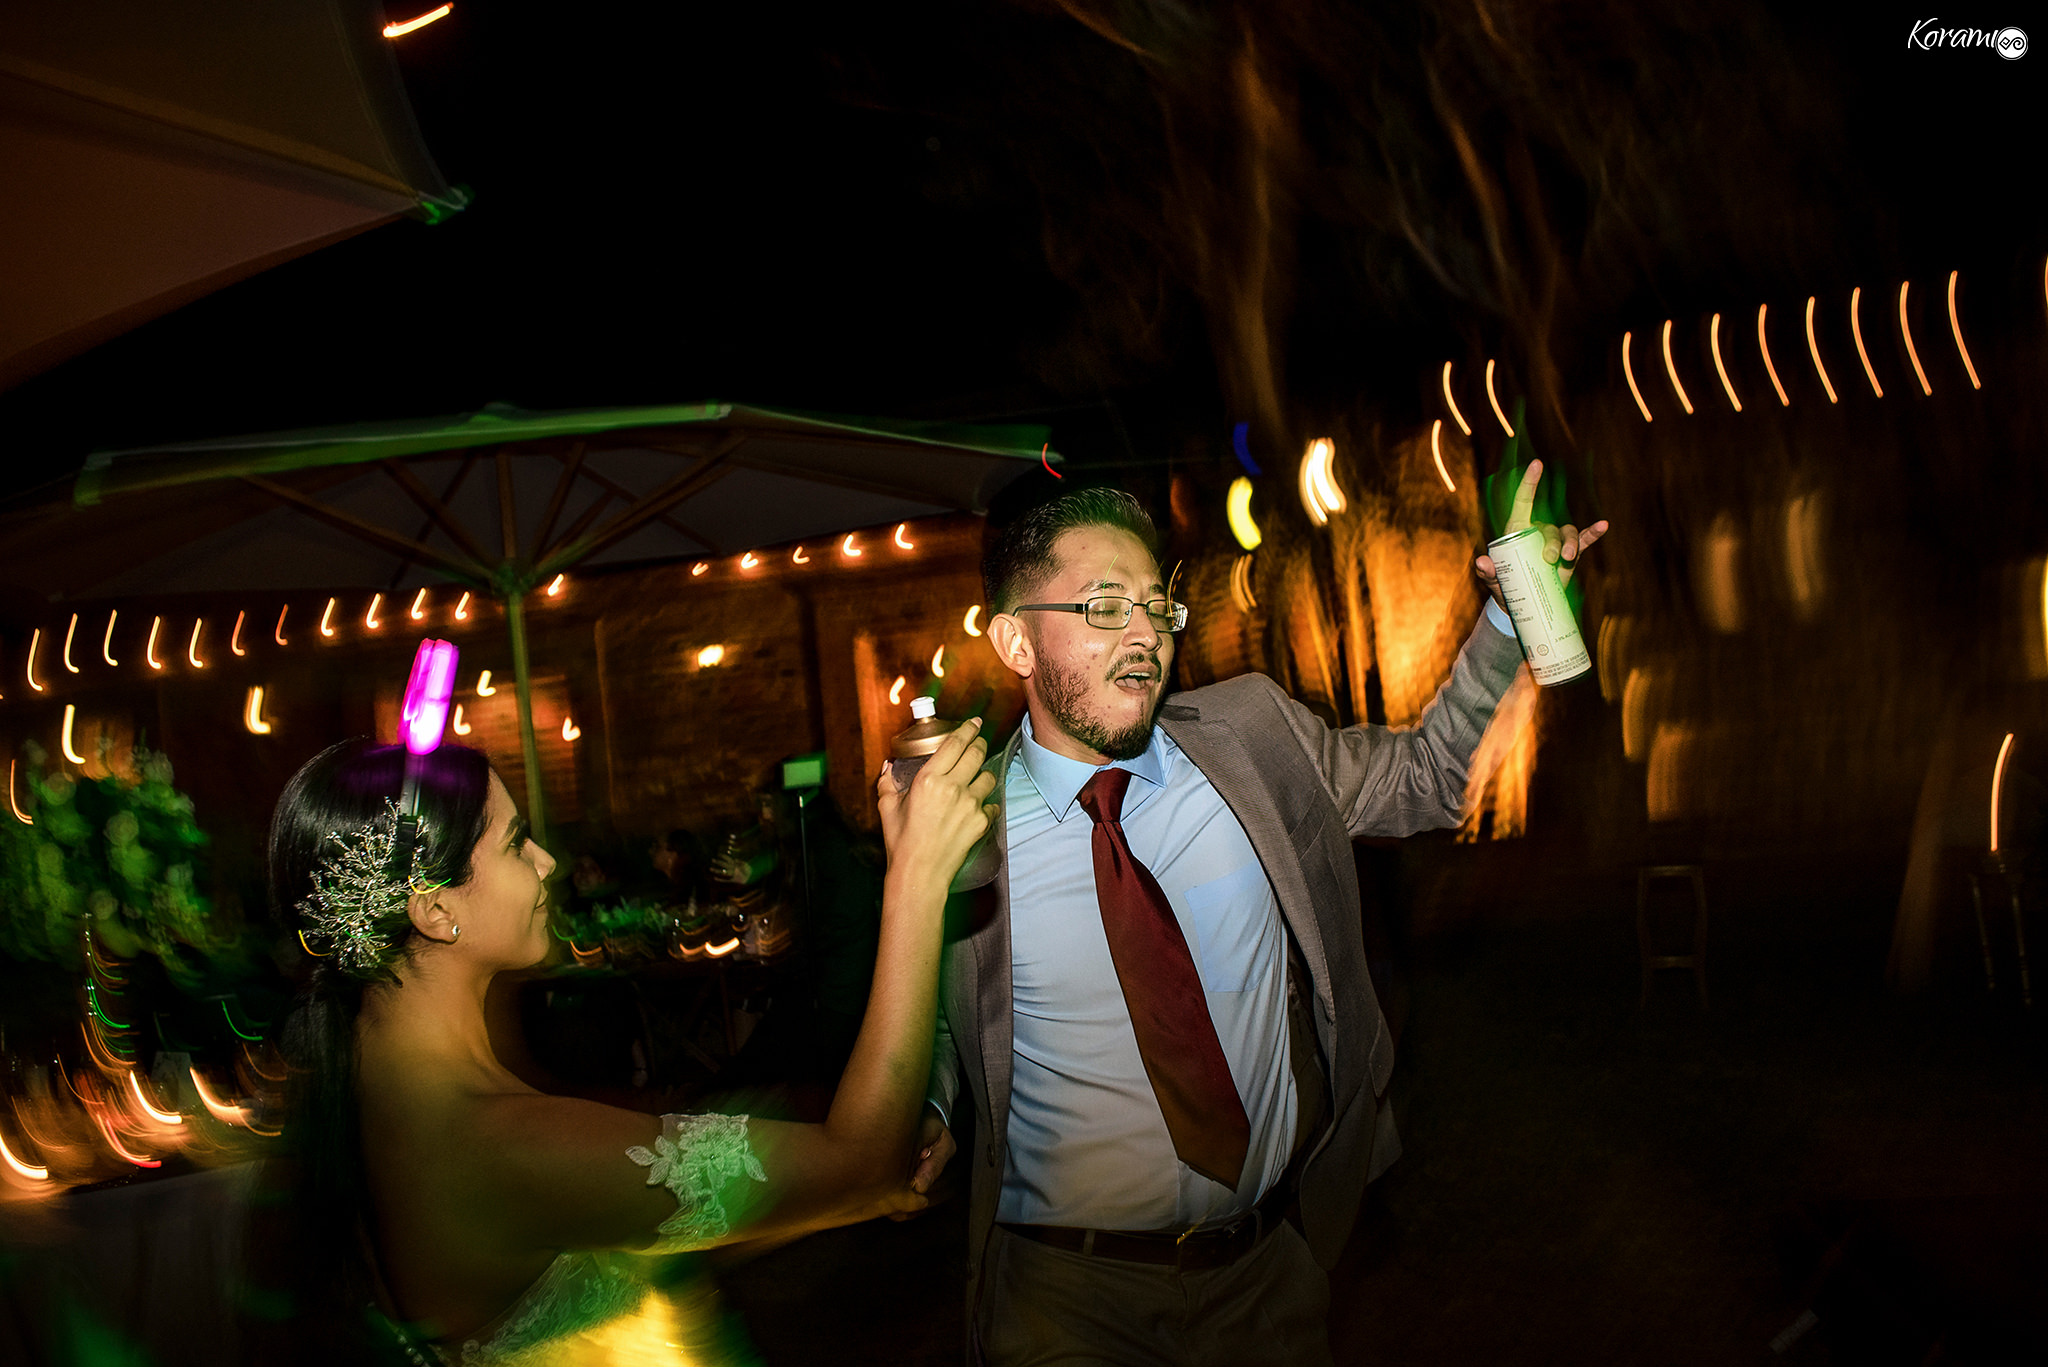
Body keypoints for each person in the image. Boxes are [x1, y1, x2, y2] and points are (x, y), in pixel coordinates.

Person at [911, 467, 1606, 1365]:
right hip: (1066, 1301)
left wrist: (1512, 610)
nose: (1144, 635)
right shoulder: (962, 823)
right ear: (1015, 640)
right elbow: (941, 993)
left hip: (1266, 1276)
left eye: (1155, 607)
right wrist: (933, 1095)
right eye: (1104, 607)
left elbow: (1425, 777)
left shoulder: (1250, 742)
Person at [265, 720, 995, 1364]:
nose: (547, 862)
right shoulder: (495, 1142)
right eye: (516, 843)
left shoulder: (364, 1075)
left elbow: (601, 1229)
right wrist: (916, 878)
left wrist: (805, 1198)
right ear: (434, 910)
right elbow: (861, 1162)